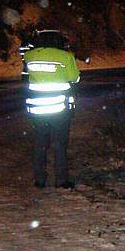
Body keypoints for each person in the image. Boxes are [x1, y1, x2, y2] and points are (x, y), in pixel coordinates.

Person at [24, 30, 80, 189]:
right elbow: (74, 78)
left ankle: (39, 179)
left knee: (40, 143)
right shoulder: (65, 56)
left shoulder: (30, 56)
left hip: (36, 109)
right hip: (59, 108)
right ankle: (61, 180)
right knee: (59, 144)